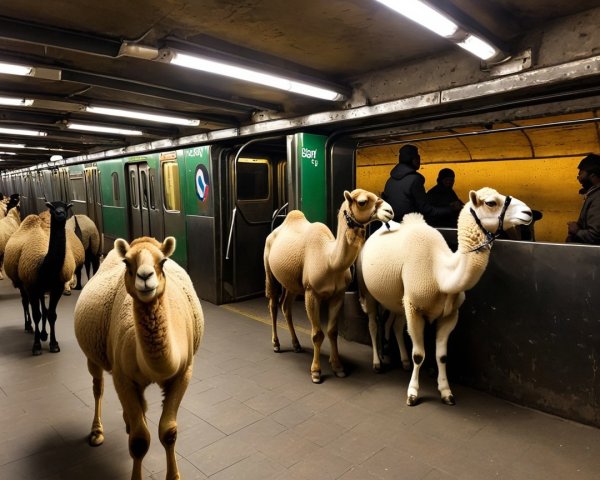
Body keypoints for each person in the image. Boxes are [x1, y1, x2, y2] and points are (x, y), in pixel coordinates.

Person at [382, 144, 461, 225]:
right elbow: (426, 210)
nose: (419, 161)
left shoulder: (389, 181)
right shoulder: (415, 180)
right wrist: (451, 208)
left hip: (392, 226)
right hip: (410, 227)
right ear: (412, 160)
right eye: (417, 158)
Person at [566, 153, 600, 245]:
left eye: (581, 174)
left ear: (593, 176)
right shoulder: (592, 195)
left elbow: (595, 236)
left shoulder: (598, 197)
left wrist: (576, 231)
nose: (579, 178)